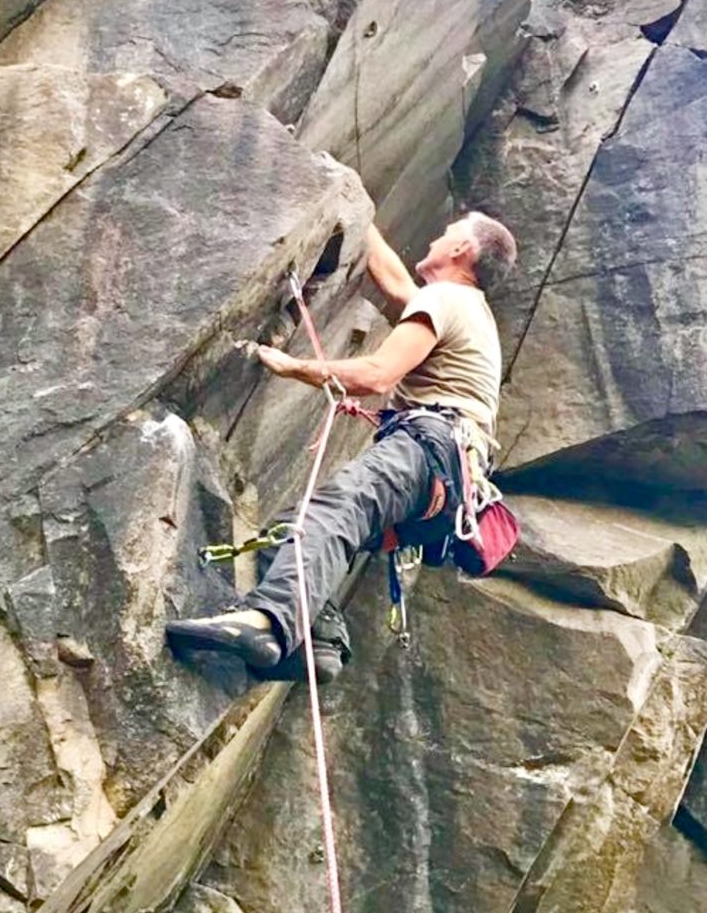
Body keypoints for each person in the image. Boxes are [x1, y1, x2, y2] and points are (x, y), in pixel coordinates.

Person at [166, 212, 517, 681]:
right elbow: (393, 281)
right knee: (294, 527)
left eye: (446, 231)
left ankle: (267, 621)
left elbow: (377, 375)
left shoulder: (447, 298)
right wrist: (359, 209)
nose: (436, 235)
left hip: (430, 450)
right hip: (449, 484)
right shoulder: (463, 309)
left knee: (334, 512)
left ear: (461, 251)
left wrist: (293, 366)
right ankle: (319, 642)